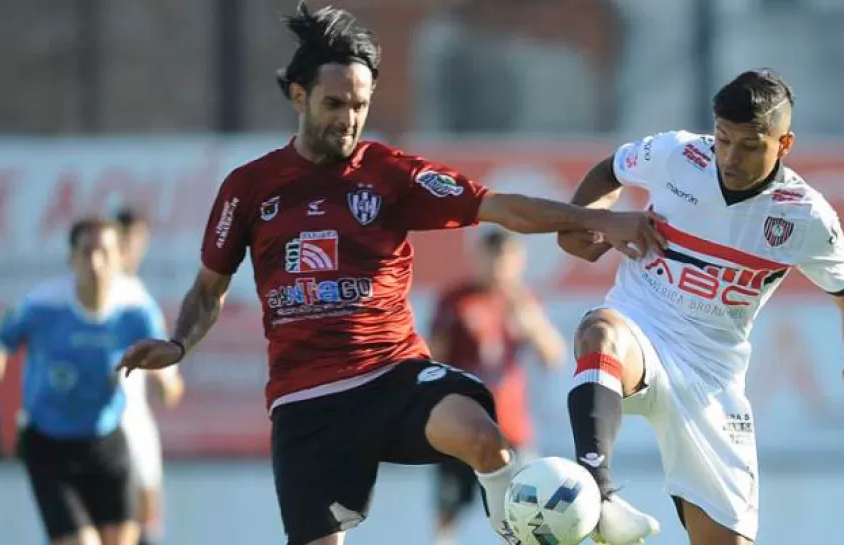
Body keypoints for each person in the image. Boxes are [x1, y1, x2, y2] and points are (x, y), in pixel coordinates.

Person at [115, 3, 665, 545]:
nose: (349, 119)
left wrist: (597, 218)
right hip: (306, 402)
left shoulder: (390, 175)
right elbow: (208, 291)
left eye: (360, 105)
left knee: (485, 439)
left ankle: (517, 530)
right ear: (299, 96)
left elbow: (504, 208)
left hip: (392, 375)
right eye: (334, 104)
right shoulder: (249, 187)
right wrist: (178, 343)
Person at [558, 68, 844, 545]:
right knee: (599, 331)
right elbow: (610, 170)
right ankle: (599, 496)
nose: (729, 157)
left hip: (712, 377)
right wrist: (595, 223)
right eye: (722, 139)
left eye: (749, 145)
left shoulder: (804, 214)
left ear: (784, 144)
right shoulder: (676, 154)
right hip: (641, 328)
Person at [0, 218, 167, 545]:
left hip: (107, 443)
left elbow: (169, 381)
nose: (95, 262)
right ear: (71, 258)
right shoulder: (42, 305)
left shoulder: (137, 311)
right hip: (49, 445)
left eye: (104, 252)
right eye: (86, 252)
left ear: (121, 257)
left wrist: (166, 381)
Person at [428, 229, 565, 544]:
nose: (499, 269)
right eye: (492, 260)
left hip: (512, 430)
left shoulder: (522, 302)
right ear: (479, 259)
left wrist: (530, 323)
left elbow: (553, 356)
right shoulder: (456, 300)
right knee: (449, 508)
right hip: (463, 428)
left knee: (525, 512)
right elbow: (434, 359)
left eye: (507, 261)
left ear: (518, 262)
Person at [114, 208, 185, 545]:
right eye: (126, 242)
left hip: (132, 418)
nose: (132, 251)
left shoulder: (136, 293)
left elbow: (168, 386)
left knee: (145, 512)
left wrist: (167, 381)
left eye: (138, 243)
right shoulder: (125, 297)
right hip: (110, 424)